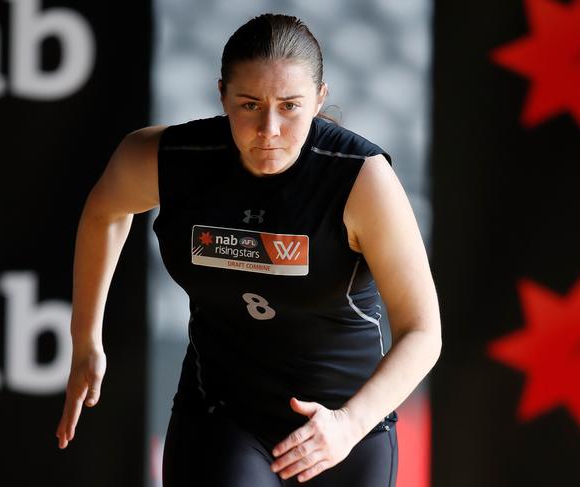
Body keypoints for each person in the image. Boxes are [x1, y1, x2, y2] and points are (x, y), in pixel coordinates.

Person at [56, 13, 441, 487]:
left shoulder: (360, 179)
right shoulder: (172, 160)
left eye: (291, 106)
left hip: (341, 425)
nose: (269, 129)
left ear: (320, 100)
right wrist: (86, 339)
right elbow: (105, 212)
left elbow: (423, 332)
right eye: (249, 104)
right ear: (222, 95)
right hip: (222, 414)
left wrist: (348, 425)